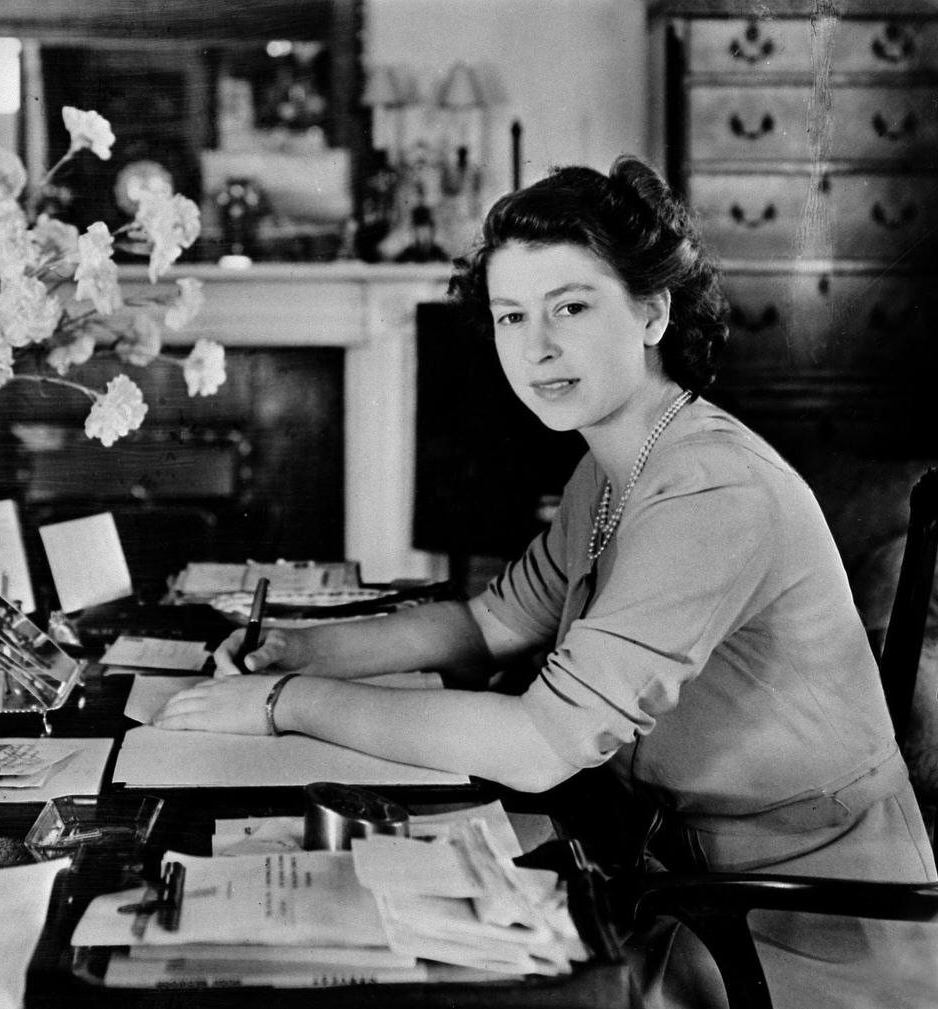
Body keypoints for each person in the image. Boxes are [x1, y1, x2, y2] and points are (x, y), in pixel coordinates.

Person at [154, 155, 938, 1008]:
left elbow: (537, 745)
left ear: (652, 311)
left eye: (571, 306)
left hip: (809, 930)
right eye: (511, 316)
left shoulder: (713, 489)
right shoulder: (611, 467)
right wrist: (302, 649)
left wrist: (287, 703)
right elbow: (491, 623)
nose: (538, 348)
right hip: (672, 884)